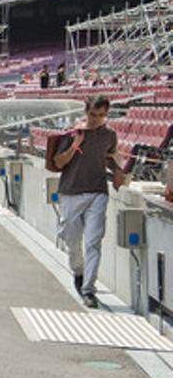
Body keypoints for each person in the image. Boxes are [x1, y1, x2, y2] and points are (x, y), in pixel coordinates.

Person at [51, 95, 121, 308]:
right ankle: (78, 271)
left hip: (97, 192)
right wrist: (75, 146)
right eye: (93, 115)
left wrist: (117, 171)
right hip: (71, 192)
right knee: (71, 239)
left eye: (101, 115)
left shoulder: (110, 135)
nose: (96, 119)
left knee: (93, 242)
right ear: (86, 112)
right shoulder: (74, 133)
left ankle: (89, 289)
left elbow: (110, 158)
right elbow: (58, 161)